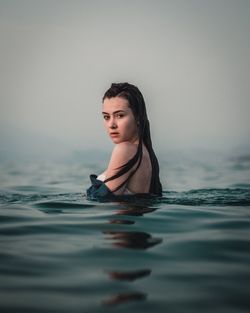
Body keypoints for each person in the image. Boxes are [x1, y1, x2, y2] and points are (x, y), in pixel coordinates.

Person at [86, 82, 162, 200]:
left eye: (120, 115)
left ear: (137, 117)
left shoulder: (125, 149)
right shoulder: (146, 153)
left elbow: (104, 201)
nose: (111, 124)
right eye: (106, 117)